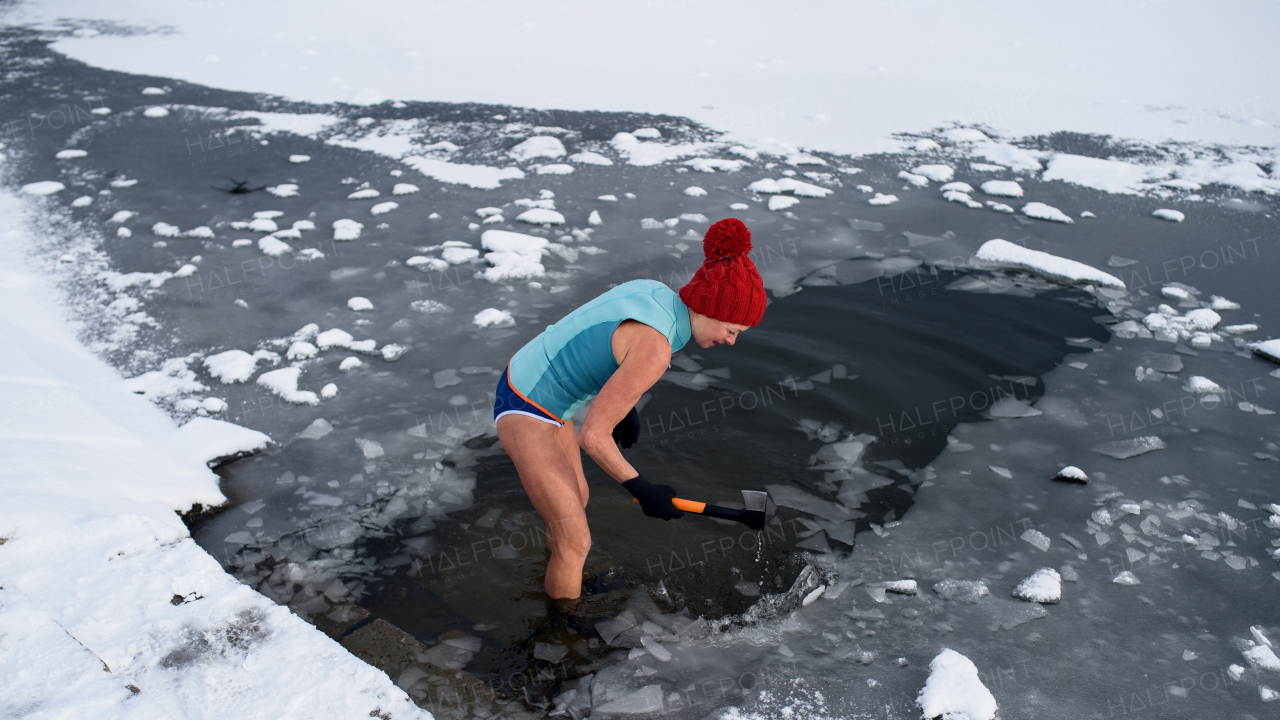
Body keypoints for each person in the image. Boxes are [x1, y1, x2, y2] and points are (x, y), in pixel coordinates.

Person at [493, 218, 767, 604]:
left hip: (543, 388)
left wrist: (621, 404)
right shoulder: (655, 349)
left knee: (576, 503)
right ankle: (563, 638)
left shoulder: (654, 293)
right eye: (731, 329)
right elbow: (593, 437)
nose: (731, 340)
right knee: (577, 541)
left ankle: (557, 570)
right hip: (527, 406)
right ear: (707, 309)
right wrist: (643, 488)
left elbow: (601, 335)